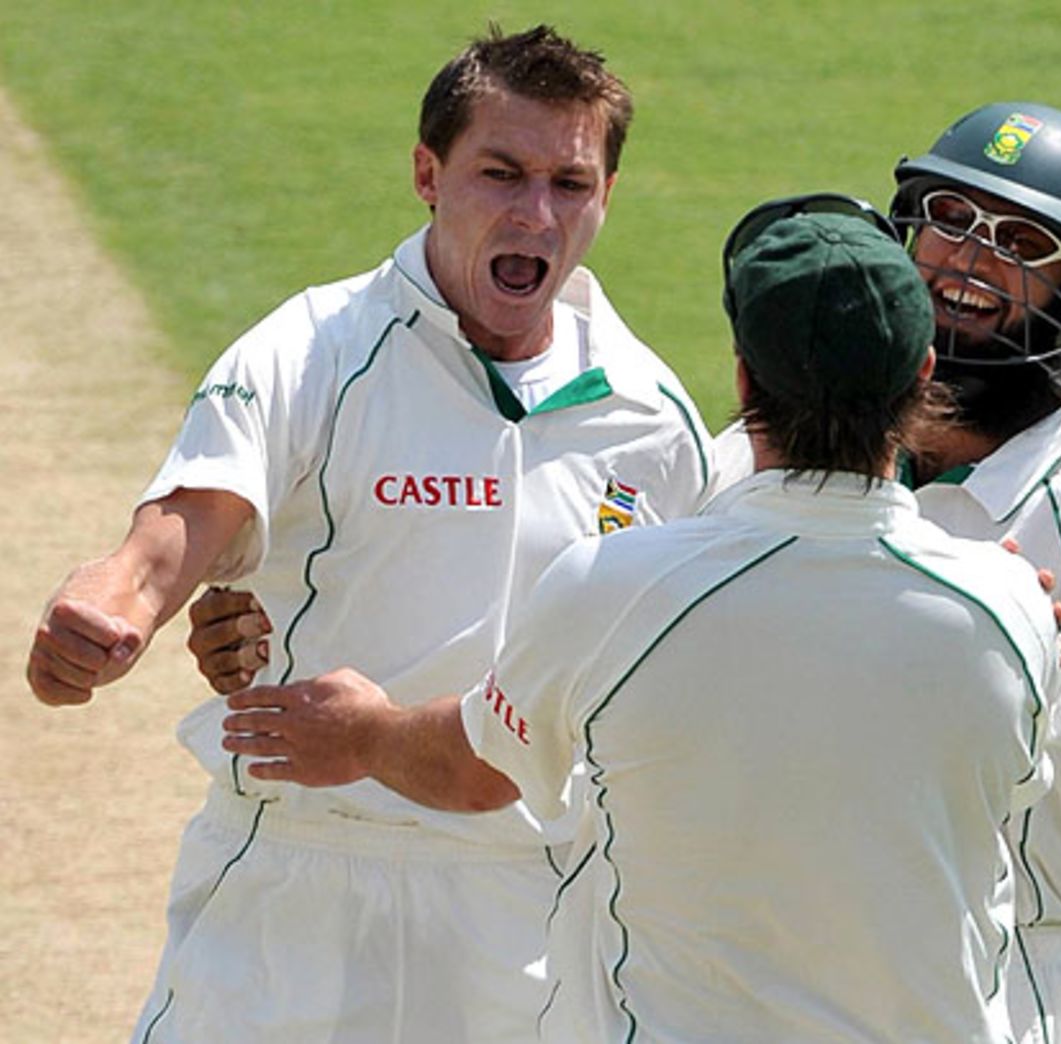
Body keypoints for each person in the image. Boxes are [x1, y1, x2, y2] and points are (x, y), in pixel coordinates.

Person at [220, 198, 1061, 1042]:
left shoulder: (614, 585)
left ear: (744, 378)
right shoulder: (1013, 607)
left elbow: (478, 770)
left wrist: (368, 733)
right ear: (923, 373)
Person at [26, 24, 712, 1043]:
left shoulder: (653, 417)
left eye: (569, 184)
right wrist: (109, 609)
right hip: (299, 883)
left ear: (607, 193)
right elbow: (183, 528)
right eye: (500, 173)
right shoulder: (311, 352)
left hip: (525, 909)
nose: (535, 213)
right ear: (427, 174)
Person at [716, 103, 1061, 1043]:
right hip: (785, 948)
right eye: (949, 218)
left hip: (1024, 965)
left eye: (1023, 241)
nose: (971, 260)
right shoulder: (752, 453)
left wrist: (997, 641)